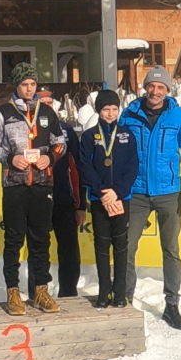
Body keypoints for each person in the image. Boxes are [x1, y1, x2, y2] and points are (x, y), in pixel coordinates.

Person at [119, 65, 181, 330]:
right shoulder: (129, 114)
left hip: (168, 193)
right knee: (126, 248)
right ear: (146, 88)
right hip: (136, 193)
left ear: (167, 91)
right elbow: (117, 152)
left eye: (161, 88)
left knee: (171, 250)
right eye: (152, 86)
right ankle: (125, 300)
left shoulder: (178, 116)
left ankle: (172, 305)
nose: (155, 91)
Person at [0, 62, 66, 316]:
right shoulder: (3, 112)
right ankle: (12, 291)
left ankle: (41, 290)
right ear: (16, 86)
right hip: (15, 185)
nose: (29, 89)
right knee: (14, 240)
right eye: (24, 85)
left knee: (41, 240)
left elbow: (60, 143)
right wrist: (10, 159)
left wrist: (50, 159)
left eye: (32, 84)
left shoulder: (48, 113)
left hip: (42, 184)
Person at [78, 90, 139, 308]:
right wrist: (103, 192)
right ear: (98, 111)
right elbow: (84, 167)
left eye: (114, 109)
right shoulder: (89, 137)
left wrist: (118, 192)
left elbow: (133, 167)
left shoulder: (127, 135)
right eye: (106, 109)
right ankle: (104, 290)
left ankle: (120, 292)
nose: (111, 113)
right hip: (99, 199)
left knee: (121, 244)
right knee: (101, 245)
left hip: (121, 198)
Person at [38, 87, 86, 298]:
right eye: (42, 103)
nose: (46, 106)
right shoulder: (26, 130)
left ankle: (68, 292)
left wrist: (81, 205)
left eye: (49, 103)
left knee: (69, 250)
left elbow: (78, 169)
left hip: (64, 200)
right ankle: (38, 292)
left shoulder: (66, 131)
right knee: (38, 249)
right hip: (37, 198)